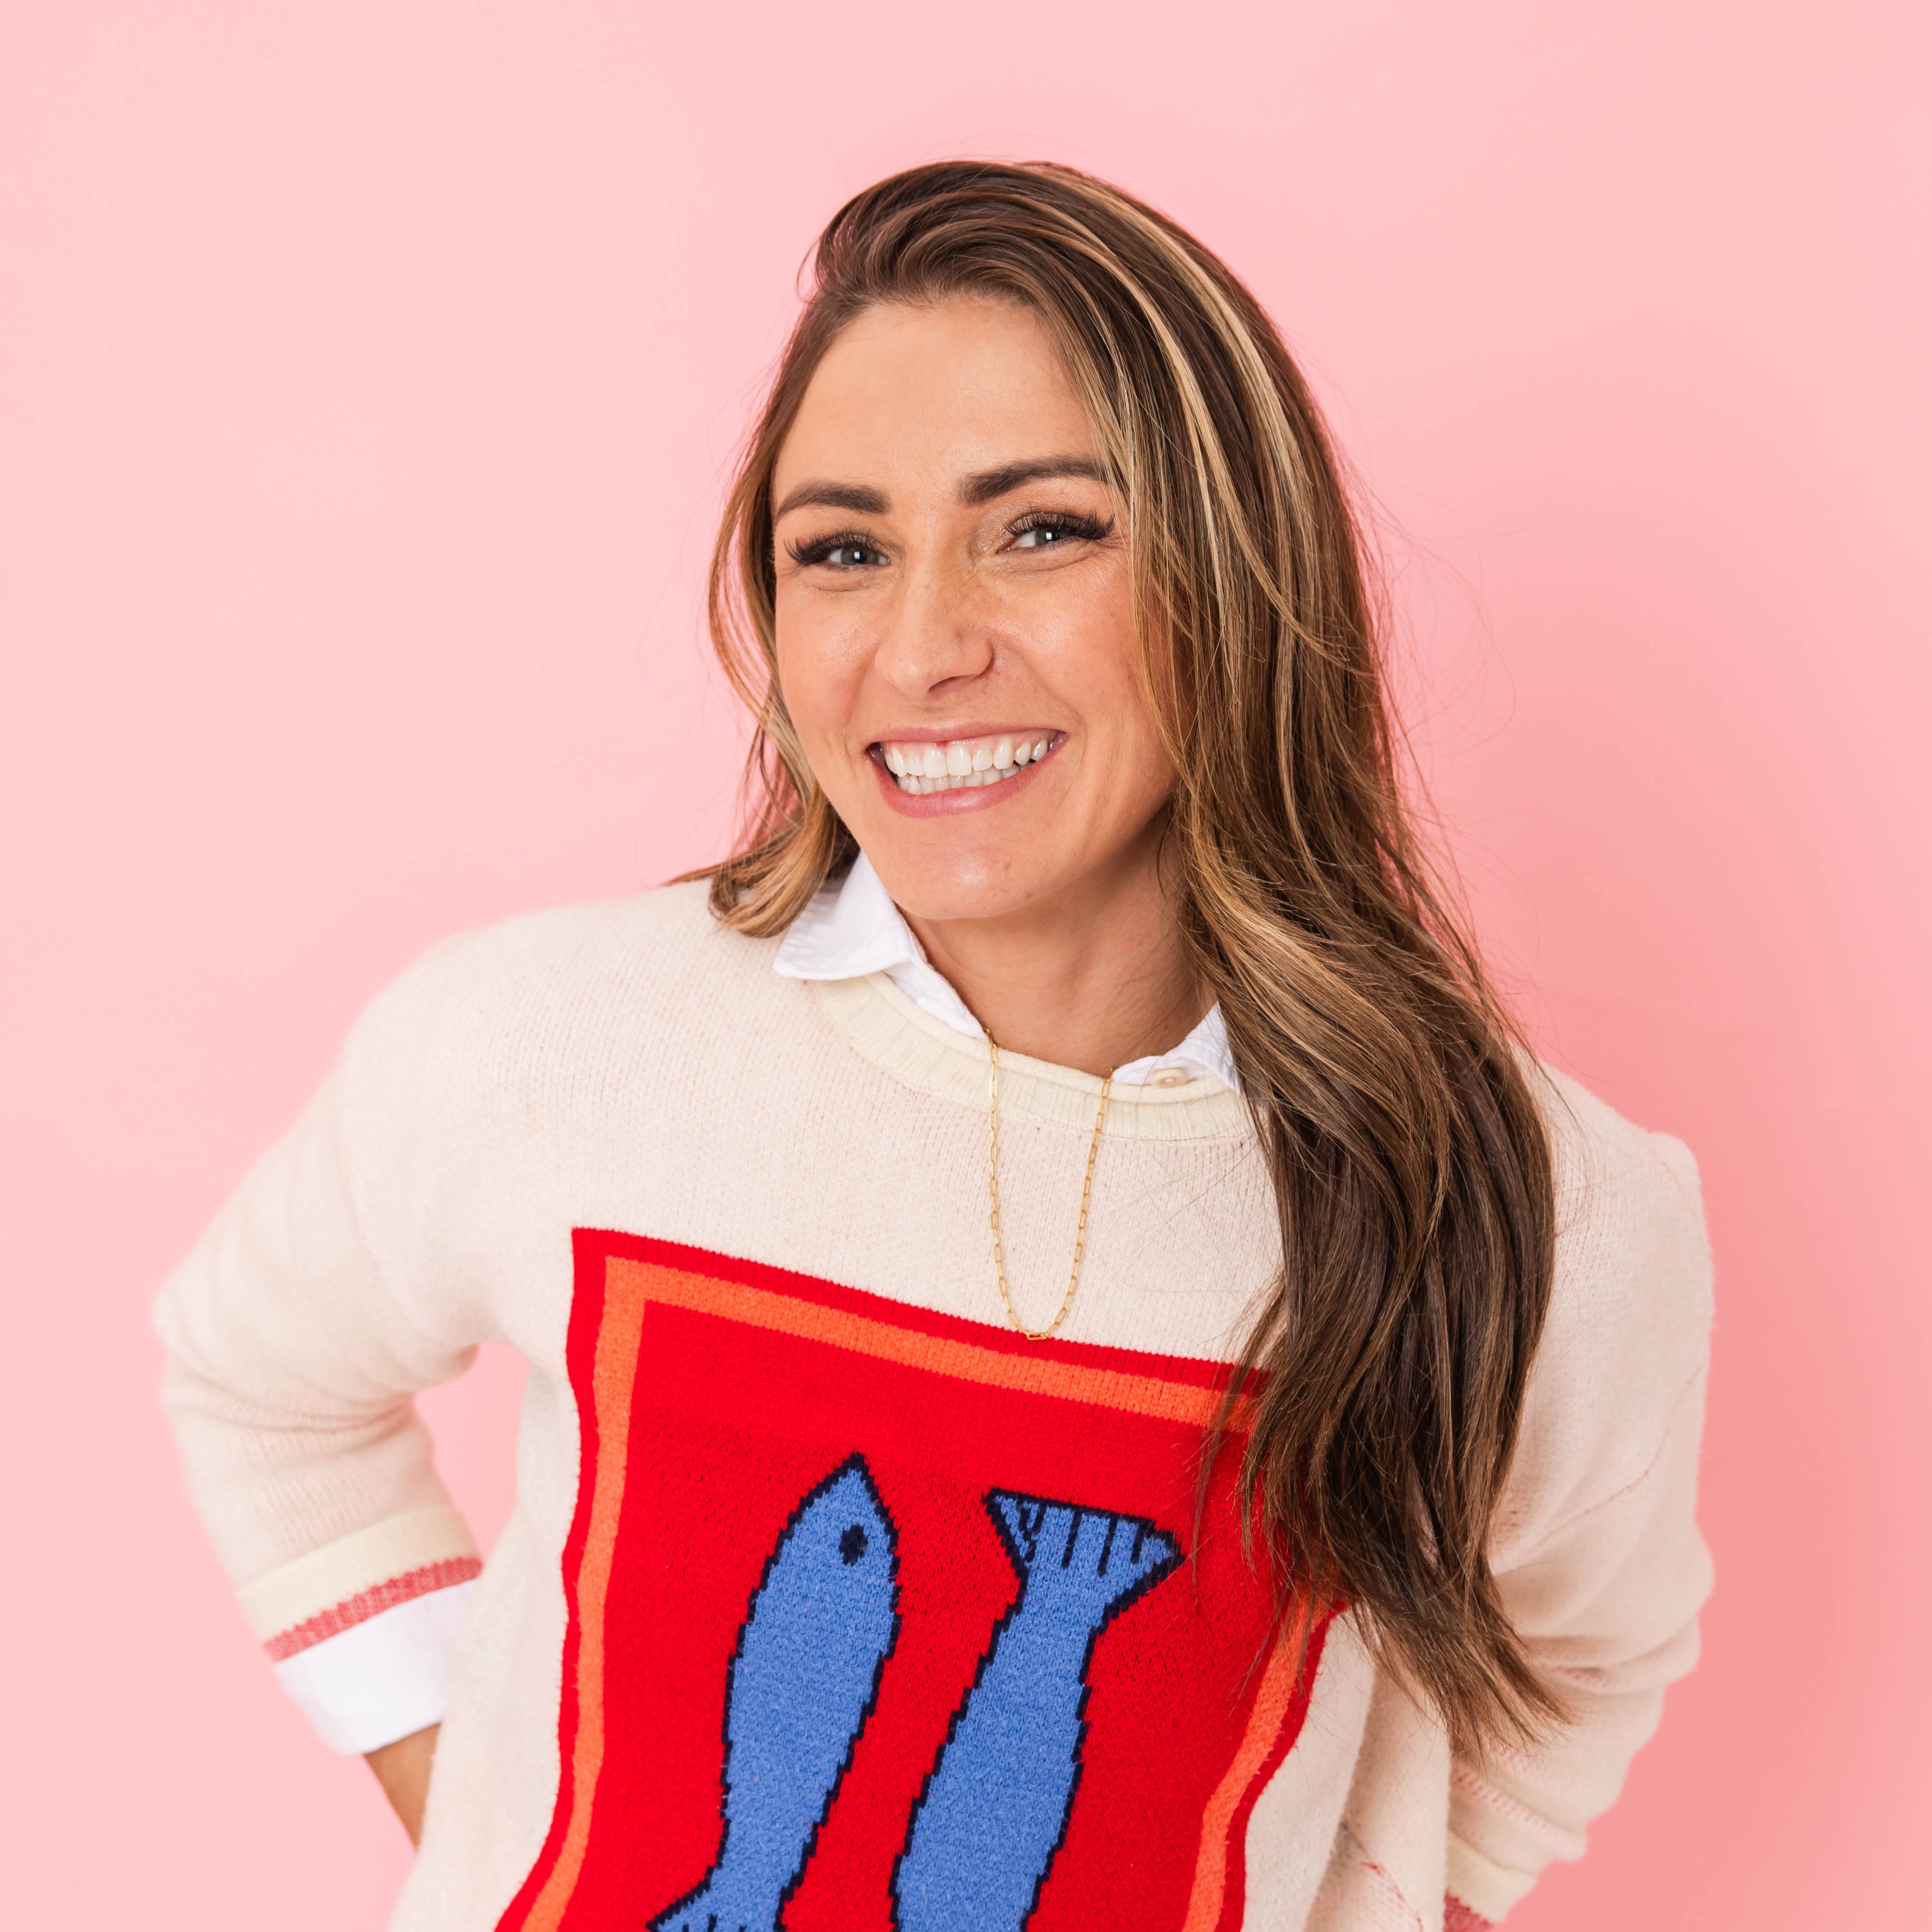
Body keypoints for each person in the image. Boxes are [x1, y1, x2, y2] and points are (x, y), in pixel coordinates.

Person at [156, 161, 1713, 1932]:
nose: (923, 646)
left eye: (1041, 528)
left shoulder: (1545, 1213)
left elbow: (1588, 1646)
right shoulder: (542, 1044)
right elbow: (257, 1382)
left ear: (1238, 569)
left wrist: (1383, 1897)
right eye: (843, 551)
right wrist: (476, 1822)